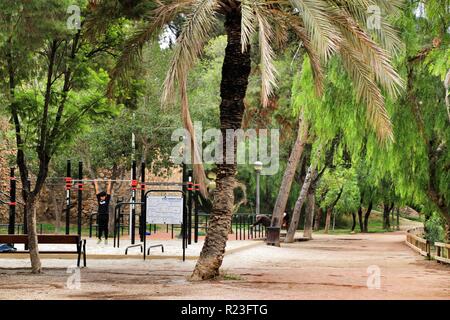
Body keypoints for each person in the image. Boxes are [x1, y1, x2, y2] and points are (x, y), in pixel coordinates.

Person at [93, 179, 112, 245]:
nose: (102, 198)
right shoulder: (99, 199)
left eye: (103, 196)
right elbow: (97, 190)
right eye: (101, 197)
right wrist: (95, 183)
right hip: (100, 215)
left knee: (105, 227)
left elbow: (108, 191)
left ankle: (106, 239)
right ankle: (99, 238)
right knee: (100, 228)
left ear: (105, 196)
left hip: (106, 215)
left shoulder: (107, 199)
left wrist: (109, 182)